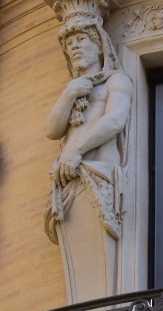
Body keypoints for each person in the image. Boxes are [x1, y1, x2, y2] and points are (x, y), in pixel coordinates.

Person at [44, 13, 133, 244]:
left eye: (82, 39)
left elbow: (114, 120)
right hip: (69, 176)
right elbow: (52, 131)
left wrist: (76, 151)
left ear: (99, 45)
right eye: (69, 44)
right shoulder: (73, 89)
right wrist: (70, 93)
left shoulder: (115, 80)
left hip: (98, 170)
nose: (74, 47)